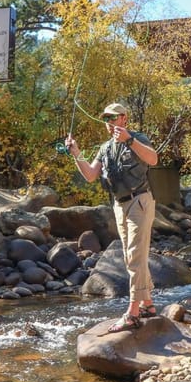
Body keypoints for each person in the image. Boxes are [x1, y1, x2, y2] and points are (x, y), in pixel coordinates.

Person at [65, 102, 159, 333]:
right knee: (130, 258)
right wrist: (76, 153)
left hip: (140, 201)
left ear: (124, 119)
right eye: (106, 118)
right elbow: (90, 175)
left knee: (136, 255)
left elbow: (153, 159)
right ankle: (147, 304)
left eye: (114, 117)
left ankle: (132, 313)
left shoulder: (138, 138)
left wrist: (129, 140)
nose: (109, 122)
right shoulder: (105, 148)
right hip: (119, 205)